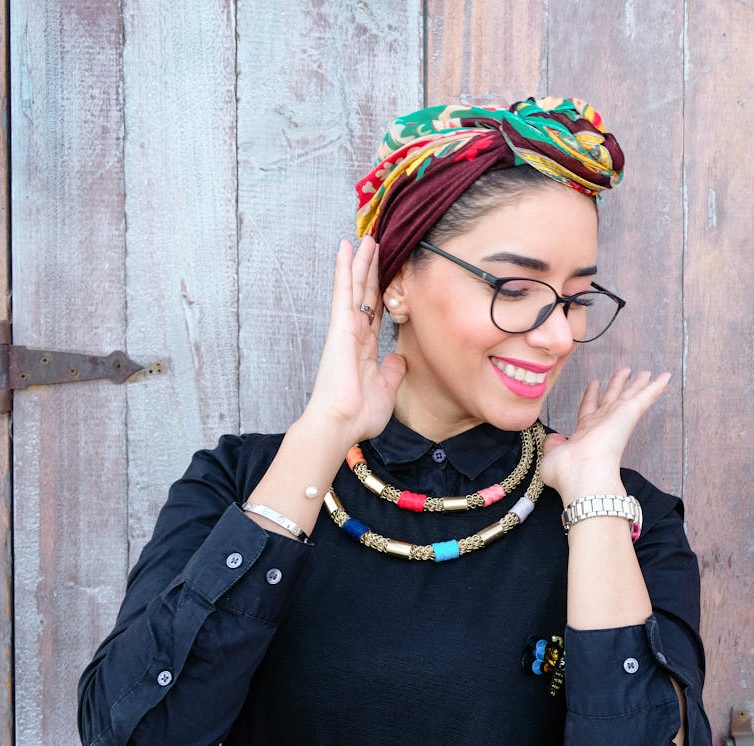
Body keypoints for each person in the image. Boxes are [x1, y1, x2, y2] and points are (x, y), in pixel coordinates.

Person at [78, 97, 709, 745]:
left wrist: (595, 504)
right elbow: (130, 733)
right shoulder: (237, 483)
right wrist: (324, 431)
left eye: (576, 299)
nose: (558, 337)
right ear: (398, 281)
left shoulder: (631, 521)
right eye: (514, 290)